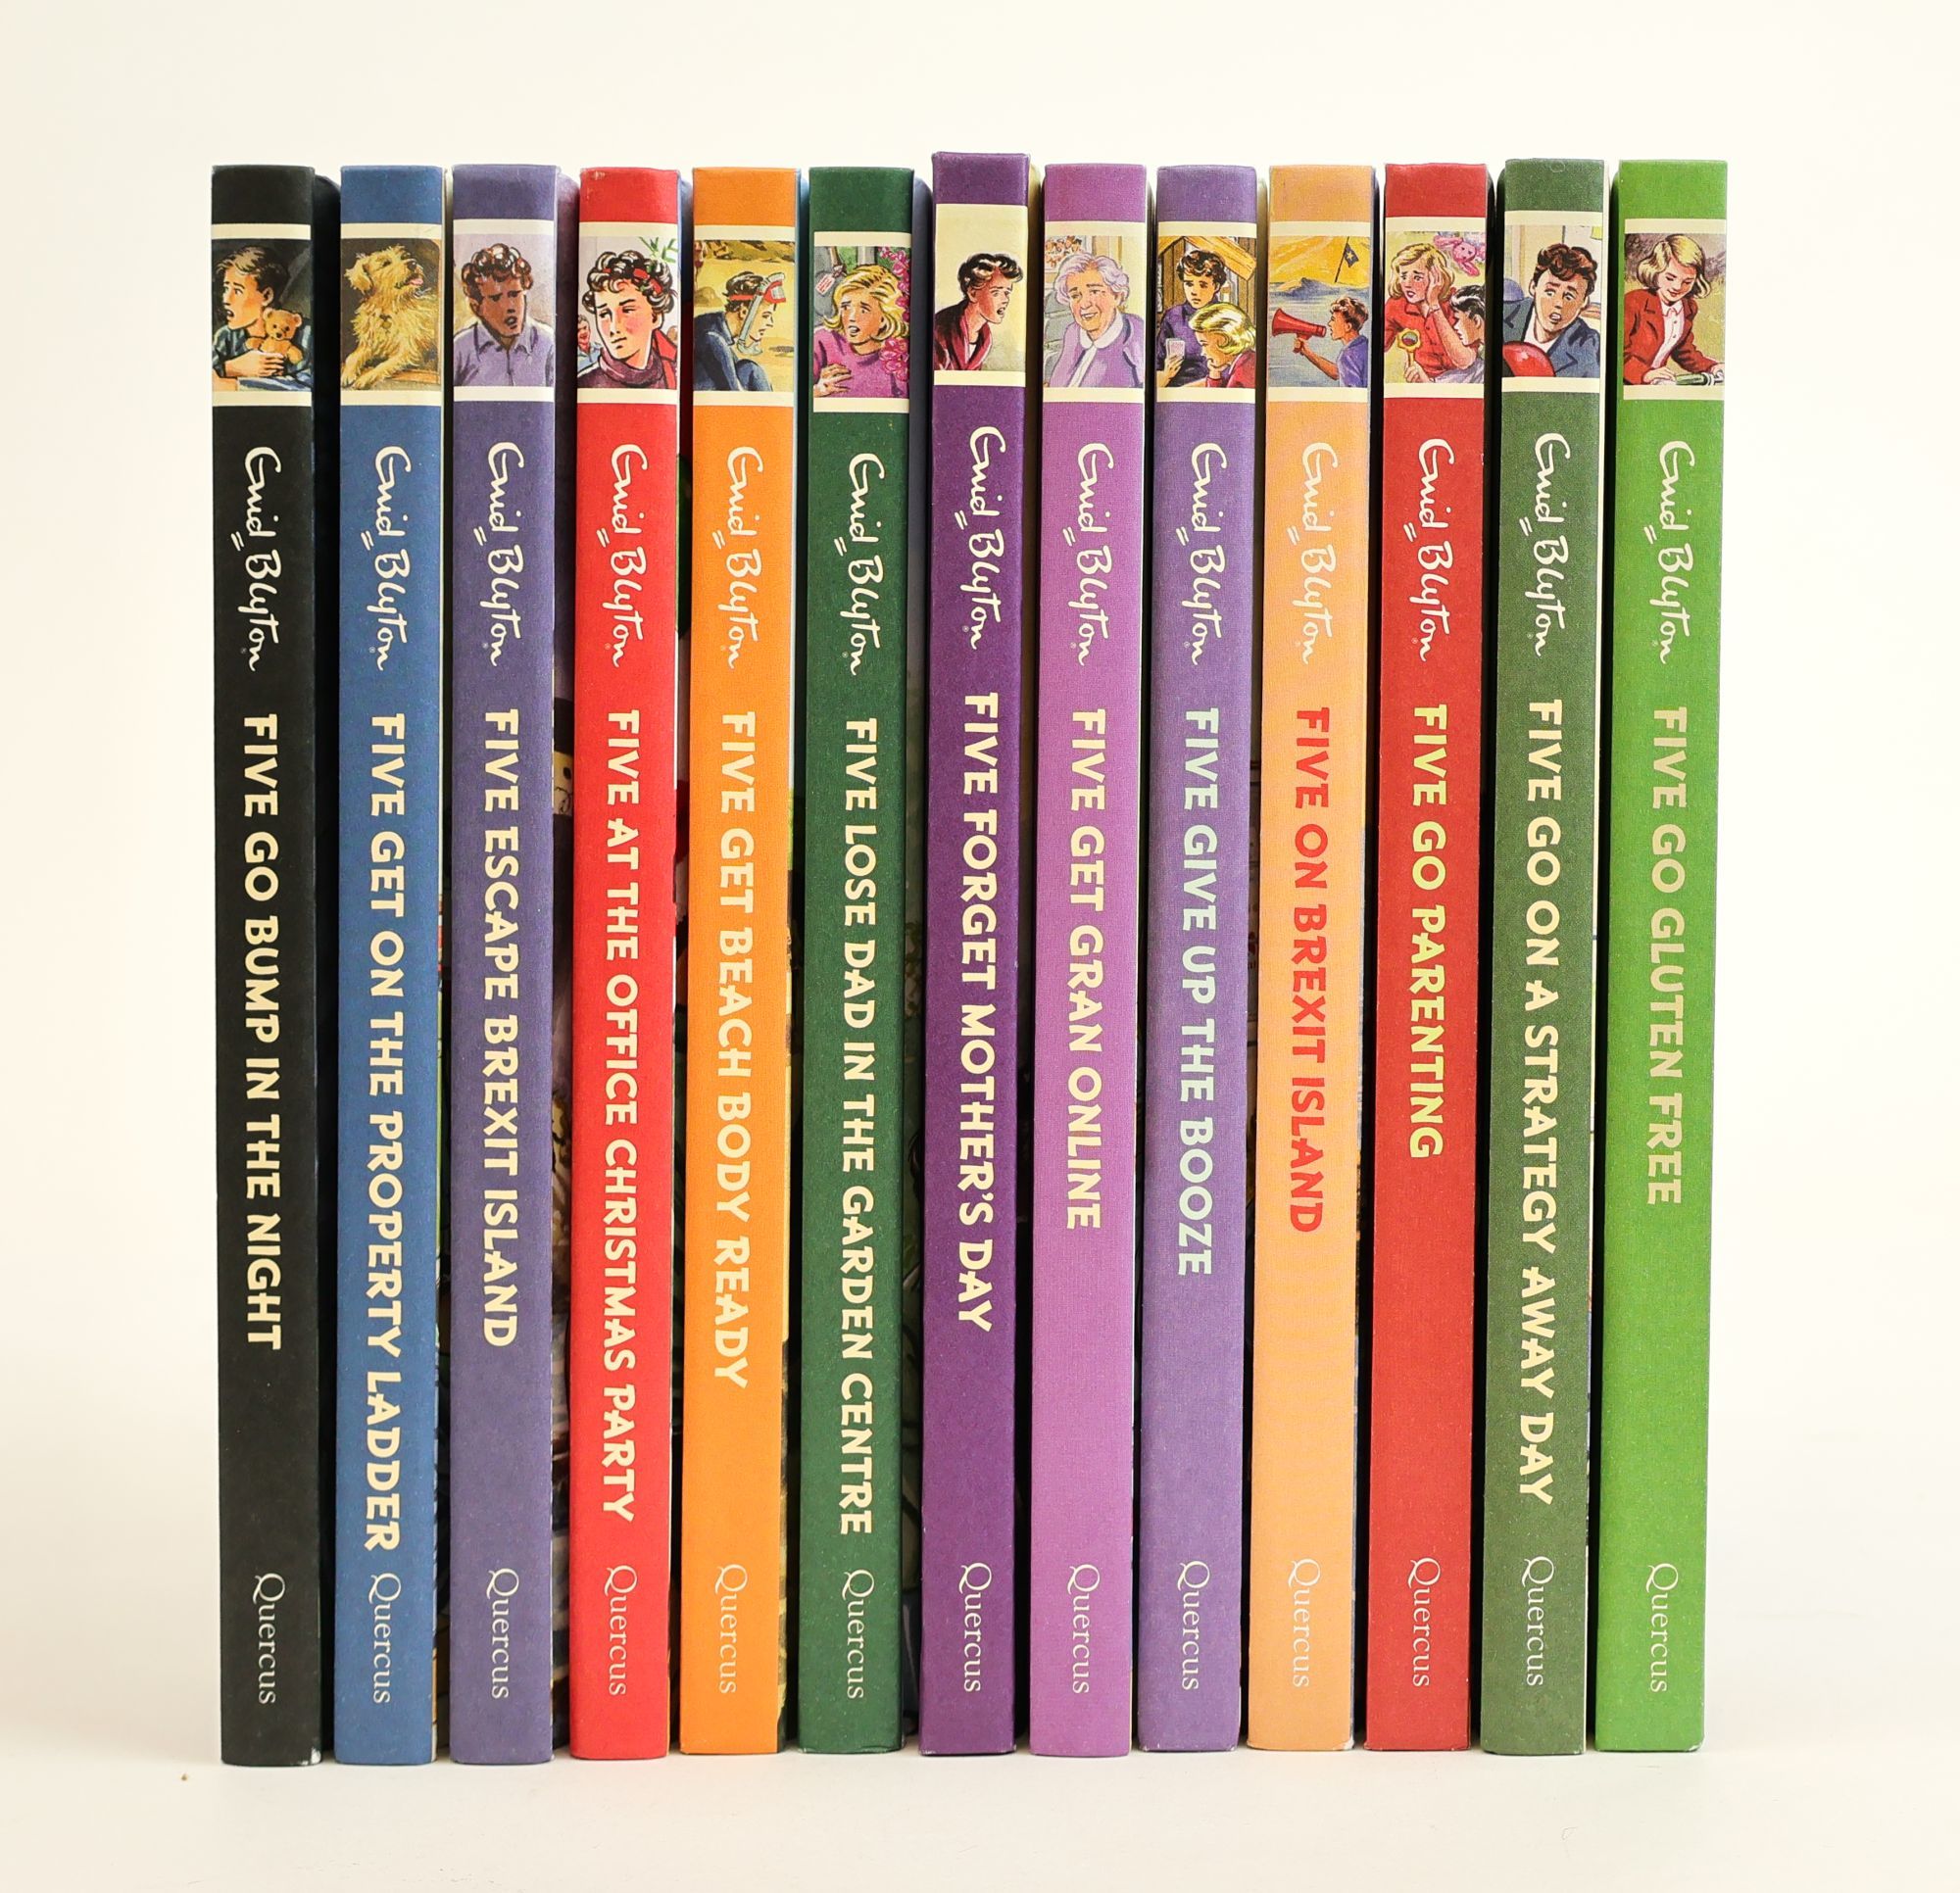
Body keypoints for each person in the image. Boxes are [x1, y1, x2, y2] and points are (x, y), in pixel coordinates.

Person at [1623, 233, 1722, 385]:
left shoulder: (1688, 307)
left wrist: (1711, 367)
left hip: (1660, 385)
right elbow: (1617, 353)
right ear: (1656, 271)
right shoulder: (1634, 302)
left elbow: (1685, 351)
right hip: (1628, 383)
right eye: (1670, 278)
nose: (1677, 287)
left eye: (1687, 282)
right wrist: (1645, 374)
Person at [453, 242, 555, 388]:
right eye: (495, 298)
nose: (509, 307)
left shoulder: (547, 342)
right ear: (477, 307)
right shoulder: (460, 349)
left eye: (514, 294)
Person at [212, 245, 313, 389]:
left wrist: (236, 385)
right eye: (226, 288)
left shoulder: (306, 334)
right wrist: (231, 368)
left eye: (238, 291)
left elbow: (309, 387)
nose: (226, 299)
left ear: (266, 296)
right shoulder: (224, 337)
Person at [577, 250, 678, 392]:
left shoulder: (673, 376)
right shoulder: (585, 384)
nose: (613, 328)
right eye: (604, 314)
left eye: (627, 310)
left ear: (655, 317)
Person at [1501, 242, 1601, 378]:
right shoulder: (1501, 315)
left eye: (1569, 296)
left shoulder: (1589, 345)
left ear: (1584, 302)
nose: (1559, 303)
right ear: (1533, 287)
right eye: (1550, 292)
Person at [1048, 251, 1147, 389]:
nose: (1084, 304)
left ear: (1117, 296)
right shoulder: (1073, 332)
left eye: (1094, 292)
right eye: (1075, 296)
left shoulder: (1136, 333)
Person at [1382, 239, 1477, 380]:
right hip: (1425, 379)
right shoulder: (1396, 305)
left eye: (1417, 277)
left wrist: (1434, 303)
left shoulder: (1457, 302)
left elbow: (1465, 361)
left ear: (1436, 278)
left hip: (1466, 377)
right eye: (1403, 276)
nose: (1407, 284)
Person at [812, 263, 909, 398]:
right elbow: (794, 395)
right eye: (846, 307)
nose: (851, 317)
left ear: (884, 318)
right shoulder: (823, 341)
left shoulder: (897, 358)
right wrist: (816, 391)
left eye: (864, 310)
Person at [695, 267, 785, 393]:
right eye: (765, 316)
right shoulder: (713, 339)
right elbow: (734, 394)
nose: (770, 323)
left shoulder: (714, 329)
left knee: (750, 368)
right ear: (743, 312)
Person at [932, 252, 1022, 370]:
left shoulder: (985, 339)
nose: (1005, 300)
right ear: (973, 293)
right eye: (996, 292)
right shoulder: (941, 328)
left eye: (1007, 293)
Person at [1156, 247, 1230, 387]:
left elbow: (1233, 370)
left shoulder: (1226, 318)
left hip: (1215, 389)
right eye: (1189, 284)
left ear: (1216, 286)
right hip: (1176, 391)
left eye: (1203, 285)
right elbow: (1156, 365)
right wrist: (1166, 374)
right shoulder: (1173, 317)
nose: (1194, 291)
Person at [1293, 295, 1370, 388]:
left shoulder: (1347, 356)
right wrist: (1308, 353)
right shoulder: (1365, 344)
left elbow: (1351, 393)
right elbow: (1338, 372)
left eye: (1333, 319)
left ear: (1348, 327)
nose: (1329, 324)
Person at [1187, 302, 1257, 389]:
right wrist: (1214, 373)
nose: (1202, 353)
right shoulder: (1244, 361)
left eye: (1204, 344)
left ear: (1224, 341)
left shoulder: (1243, 373)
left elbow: (1217, 397)